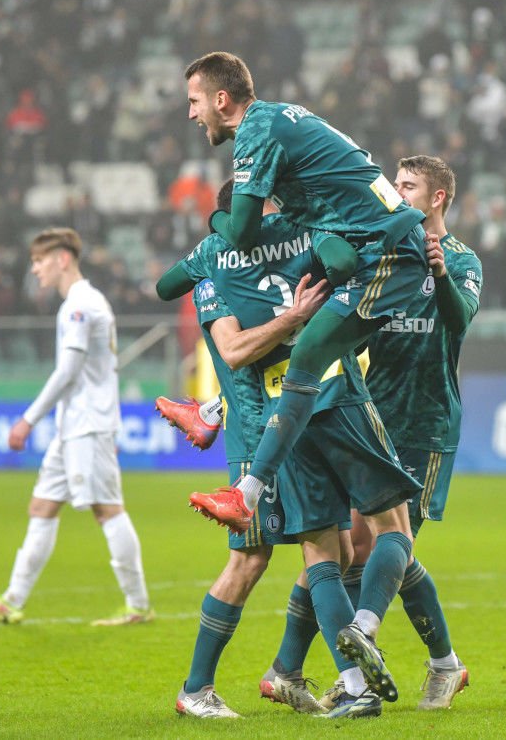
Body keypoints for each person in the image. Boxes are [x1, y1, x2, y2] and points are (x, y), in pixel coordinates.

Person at [160, 183, 423, 718]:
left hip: (288, 418)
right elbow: (233, 352)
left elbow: (167, 283)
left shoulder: (232, 254)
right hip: (261, 431)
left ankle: (290, 674)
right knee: (252, 559)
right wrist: (294, 317)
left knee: (335, 549)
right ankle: (197, 688)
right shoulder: (217, 276)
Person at [180, 54, 428, 594]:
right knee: (308, 348)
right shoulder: (280, 121)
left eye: (194, 101)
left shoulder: (257, 129)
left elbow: (242, 230)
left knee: (310, 348)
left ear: (222, 99)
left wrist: (213, 219)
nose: (192, 114)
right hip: (373, 249)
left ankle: (244, 483)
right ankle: (381, 650)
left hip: (385, 250)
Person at [0, 228, 151, 627]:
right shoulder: (81, 303)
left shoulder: (80, 305)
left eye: (39, 261)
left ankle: (137, 605)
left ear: (62, 258)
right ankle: (12, 600)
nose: (34, 269)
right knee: (42, 506)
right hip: (74, 427)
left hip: (87, 425)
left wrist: (28, 419)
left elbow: (69, 370)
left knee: (106, 509)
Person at [349, 155, 480, 710]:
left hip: (427, 424)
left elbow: (459, 320)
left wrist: (441, 273)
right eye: (395, 186)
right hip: (376, 416)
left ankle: (394, 648)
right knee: (363, 548)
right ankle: (425, 667)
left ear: (437, 198)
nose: (397, 195)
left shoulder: (462, 258)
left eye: (408, 187)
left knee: (391, 545)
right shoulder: (386, 255)